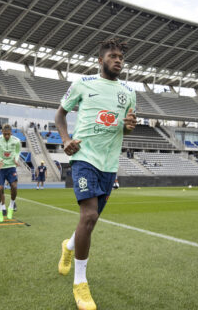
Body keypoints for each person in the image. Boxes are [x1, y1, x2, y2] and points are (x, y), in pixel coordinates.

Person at [55, 38, 136, 310]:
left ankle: (68, 247)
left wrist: (130, 125)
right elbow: (60, 115)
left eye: (121, 57)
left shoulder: (129, 92)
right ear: (100, 60)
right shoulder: (83, 83)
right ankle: (80, 283)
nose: (118, 60)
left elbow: (126, 127)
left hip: (109, 164)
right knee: (88, 216)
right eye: (113, 56)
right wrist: (66, 140)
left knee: (91, 221)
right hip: (84, 157)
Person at [0, 124, 21, 222]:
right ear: (2, 132)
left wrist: (16, 159)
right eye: (5, 134)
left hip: (11, 166)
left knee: (14, 186)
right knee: (0, 189)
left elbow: (17, 151)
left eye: (8, 134)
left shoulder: (16, 141)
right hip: (0, 167)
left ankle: (11, 206)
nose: (7, 136)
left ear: (11, 132)